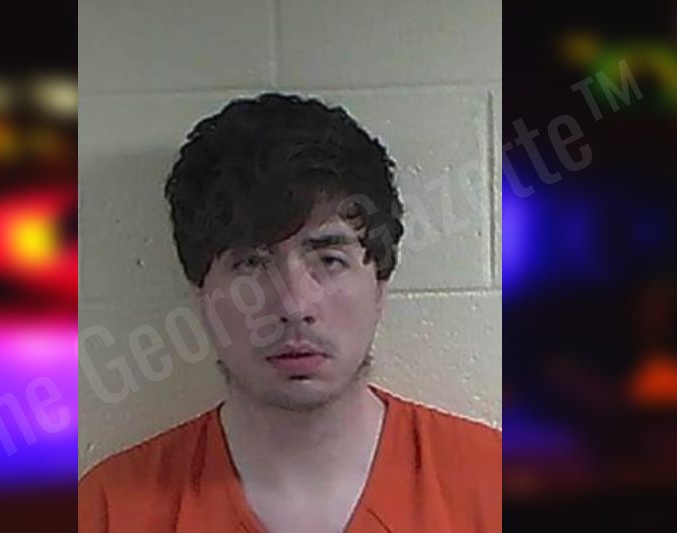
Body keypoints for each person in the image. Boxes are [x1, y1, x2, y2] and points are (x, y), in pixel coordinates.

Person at [79, 93, 501, 532]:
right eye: (250, 264)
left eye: (329, 260)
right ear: (200, 292)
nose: (294, 306)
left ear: (379, 283)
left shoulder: (494, 485)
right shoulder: (108, 511)